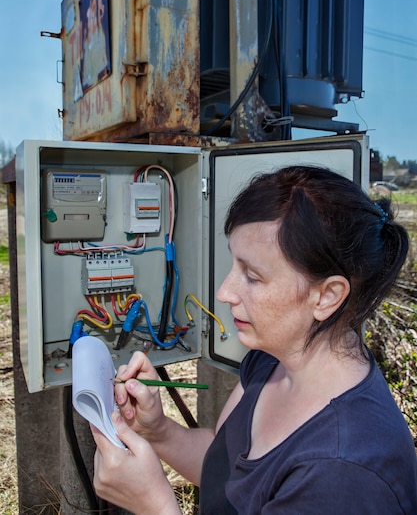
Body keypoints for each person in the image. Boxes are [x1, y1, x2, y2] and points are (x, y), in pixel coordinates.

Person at [91, 165, 417, 514]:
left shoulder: (343, 472)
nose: (224, 292)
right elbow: (224, 470)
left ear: (326, 296)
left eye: (253, 276)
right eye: (234, 265)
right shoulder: (273, 360)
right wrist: (159, 431)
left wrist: (154, 505)